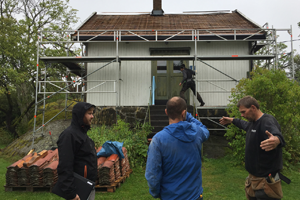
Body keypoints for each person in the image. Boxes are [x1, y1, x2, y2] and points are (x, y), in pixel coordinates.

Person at [219, 96, 285, 200]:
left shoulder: (267, 121)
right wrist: (232, 120)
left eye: (243, 112)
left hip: (266, 182)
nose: (242, 115)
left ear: (253, 108)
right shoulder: (253, 123)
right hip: (254, 179)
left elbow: (277, 134)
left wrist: (277, 140)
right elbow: (244, 125)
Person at [145, 96, 209, 200]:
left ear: (166, 112)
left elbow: (152, 174)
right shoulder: (197, 132)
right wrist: (188, 116)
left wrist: (156, 193)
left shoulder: (158, 139)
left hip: (170, 197)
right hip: (195, 197)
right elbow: (205, 130)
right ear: (184, 113)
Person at [53, 102, 98, 200]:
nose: (92, 116)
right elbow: (65, 166)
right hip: (77, 191)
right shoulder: (69, 136)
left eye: (92, 113)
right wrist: (71, 193)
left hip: (87, 186)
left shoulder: (81, 134)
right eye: (89, 113)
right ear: (80, 115)